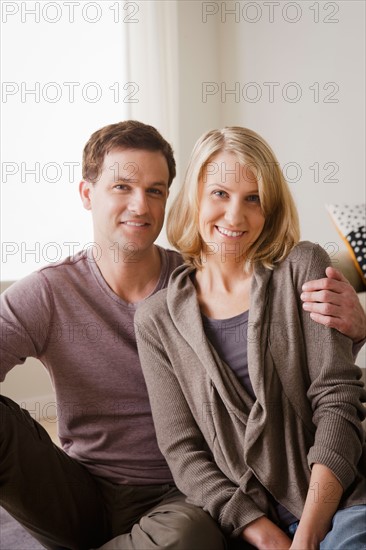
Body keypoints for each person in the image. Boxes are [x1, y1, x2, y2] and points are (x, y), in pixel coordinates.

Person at [0, 121, 364, 550]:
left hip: (178, 496)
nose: (140, 205)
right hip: (82, 485)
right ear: (87, 194)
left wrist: (357, 330)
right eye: (122, 187)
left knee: (189, 537)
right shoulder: (52, 292)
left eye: (155, 190)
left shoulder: (207, 272)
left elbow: (315, 377)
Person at [134, 126, 366, 550]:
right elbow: (183, 451)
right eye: (220, 193)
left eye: (253, 198)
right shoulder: (156, 320)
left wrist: (309, 535)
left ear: (269, 208)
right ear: (195, 197)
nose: (235, 217)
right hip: (246, 525)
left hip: (340, 505)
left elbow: (336, 401)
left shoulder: (302, 267)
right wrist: (264, 534)